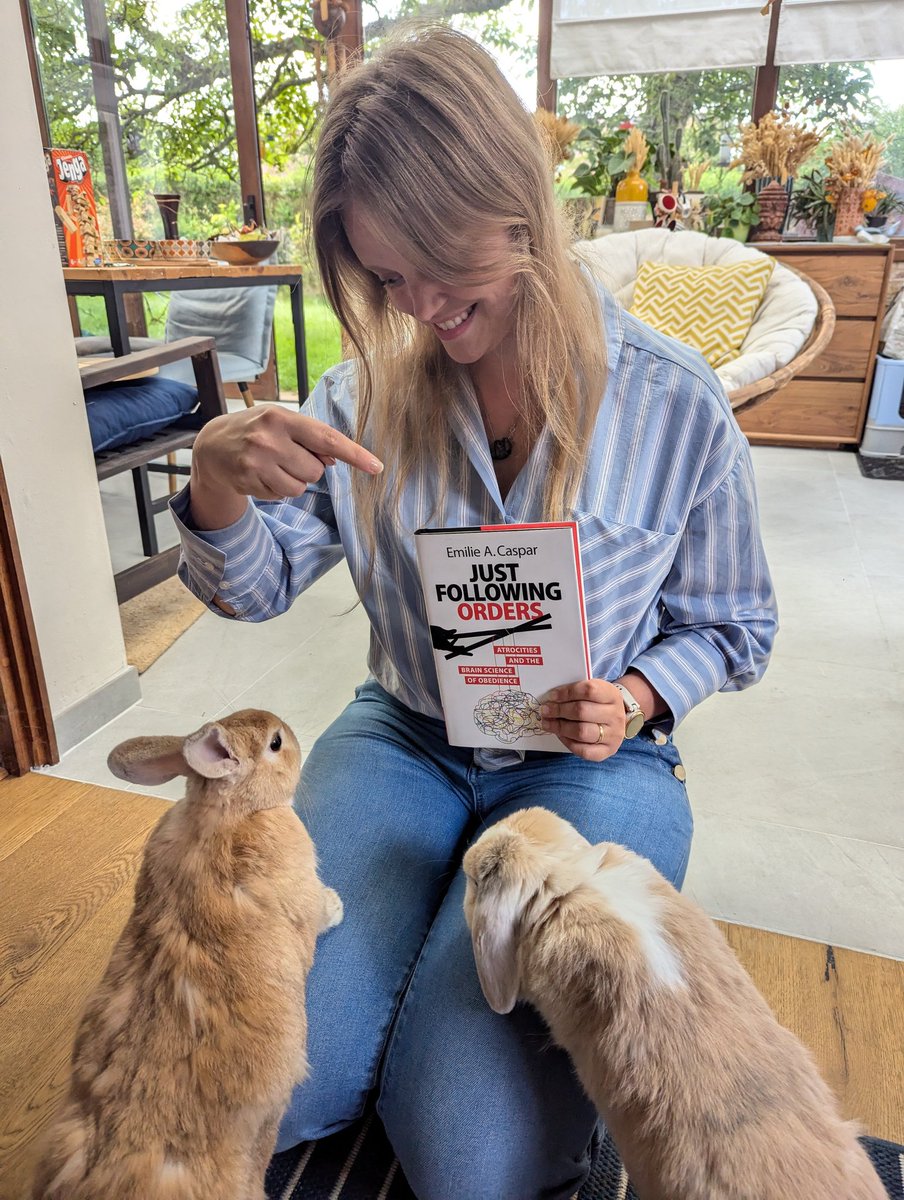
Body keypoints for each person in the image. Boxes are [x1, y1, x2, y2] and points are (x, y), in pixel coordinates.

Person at [171, 25, 777, 1200]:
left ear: (516, 207)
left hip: (589, 762)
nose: (426, 310)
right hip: (402, 735)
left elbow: (734, 627)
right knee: (269, 1079)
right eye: (390, 281)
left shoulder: (674, 404)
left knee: (469, 1152)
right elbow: (251, 589)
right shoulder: (359, 401)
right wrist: (212, 471)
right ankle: (419, 974)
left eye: (443, 266)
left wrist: (639, 694)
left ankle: (480, 1053)